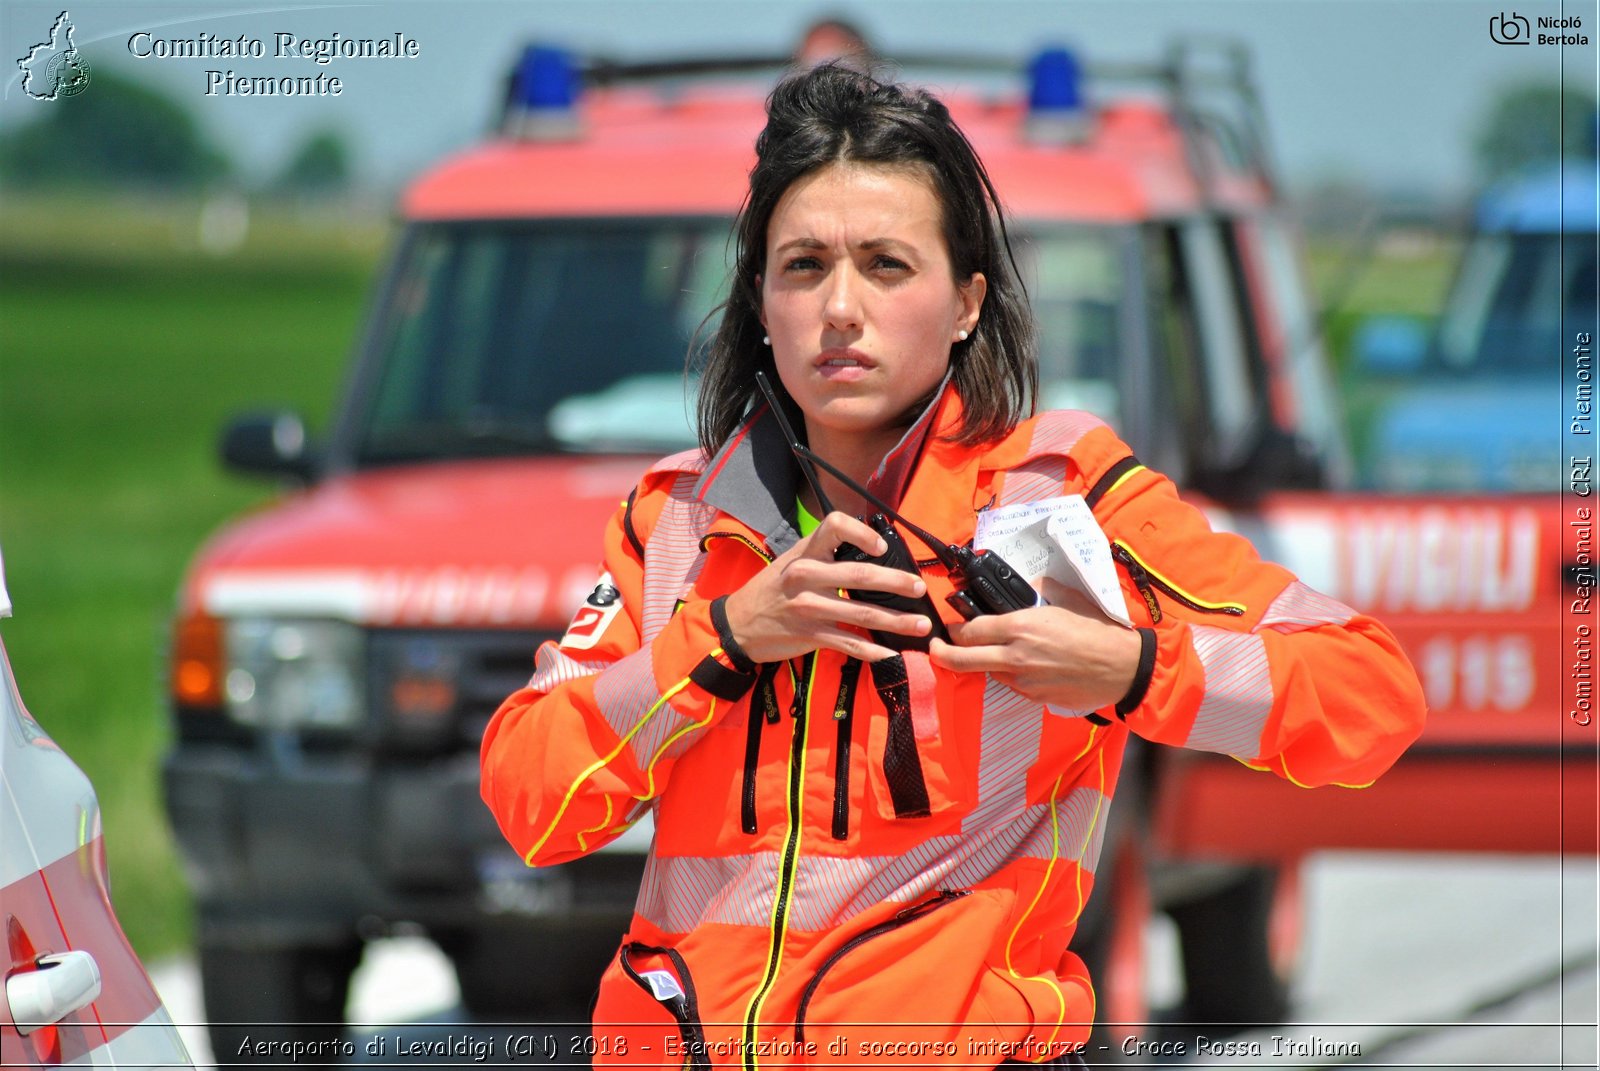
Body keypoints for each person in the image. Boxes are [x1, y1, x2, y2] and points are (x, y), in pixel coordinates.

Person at [480, 62, 1426, 1069]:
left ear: (967, 302)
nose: (839, 307)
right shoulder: (671, 520)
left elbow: (1368, 696)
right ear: (759, 299)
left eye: (887, 265)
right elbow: (530, 800)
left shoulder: (1064, 497)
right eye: (802, 266)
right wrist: (721, 639)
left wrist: (1134, 672)